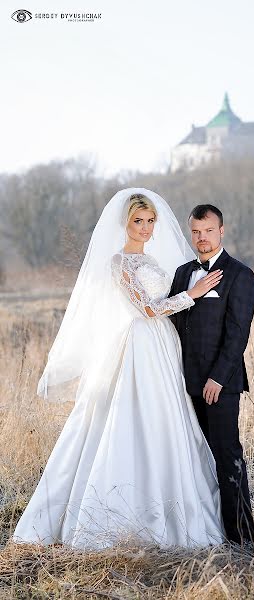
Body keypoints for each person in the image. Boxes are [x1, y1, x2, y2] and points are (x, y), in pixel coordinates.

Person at [12, 188, 226, 550]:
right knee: (127, 418)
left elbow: (163, 304)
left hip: (162, 346)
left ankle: (175, 510)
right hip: (138, 344)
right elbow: (145, 309)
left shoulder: (156, 263)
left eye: (150, 221)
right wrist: (194, 293)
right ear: (125, 224)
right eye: (137, 222)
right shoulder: (119, 262)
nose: (144, 228)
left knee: (167, 420)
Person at [168, 204, 254, 546]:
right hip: (183, 383)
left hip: (220, 385)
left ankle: (241, 537)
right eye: (196, 232)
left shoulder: (239, 275)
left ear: (222, 231)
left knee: (226, 453)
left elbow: (237, 334)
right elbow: (173, 321)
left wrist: (218, 378)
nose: (202, 238)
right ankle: (207, 531)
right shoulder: (182, 274)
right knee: (193, 457)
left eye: (208, 231)